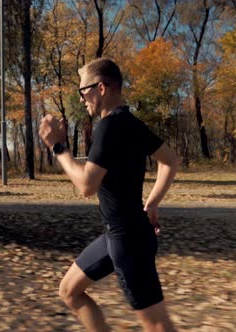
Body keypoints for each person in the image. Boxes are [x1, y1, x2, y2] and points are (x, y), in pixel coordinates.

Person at [38, 58, 179, 332]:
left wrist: (58, 147)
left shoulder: (109, 127)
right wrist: (152, 205)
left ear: (101, 88)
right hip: (118, 236)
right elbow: (170, 160)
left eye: (83, 91)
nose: (81, 99)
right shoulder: (132, 124)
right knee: (69, 291)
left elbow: (86, 185)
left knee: (158, 326)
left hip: (128, 242)